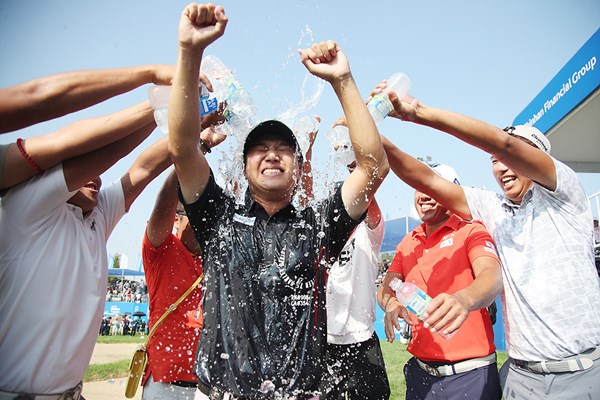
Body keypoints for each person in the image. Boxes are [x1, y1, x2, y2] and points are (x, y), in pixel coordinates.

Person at [168, 4, 389, 398]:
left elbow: (373, 166)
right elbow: (184, 149)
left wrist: (343, 80)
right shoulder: (219, 219)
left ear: (299, 164)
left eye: (283, 148)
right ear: (244, 162)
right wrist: (190, 52)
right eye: (260, 148)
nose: (271, 154)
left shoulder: (319, 224)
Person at [376, 83, 600, 398]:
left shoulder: (565, 194)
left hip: (579, 372)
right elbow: (423, 178)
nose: (503, 168)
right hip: (521, 377)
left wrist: (419, 113)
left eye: (514, 160)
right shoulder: (493, 208)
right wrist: (369, 129)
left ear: (539, 160)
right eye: (494, 161)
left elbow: (506, 145)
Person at [0, 100, 172, 397]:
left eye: (99, 170)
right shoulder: (26, 206)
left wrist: (198, 134)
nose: (97, 175)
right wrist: (168, 101)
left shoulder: (96, 215)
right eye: (85, 167)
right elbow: (108, 151)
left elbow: (144, 168)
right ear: (52, 176)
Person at [377, 157, 502, 399]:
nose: (423, 195)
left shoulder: (471, 230)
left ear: (451, 190)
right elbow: (385, 287)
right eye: (418, 187)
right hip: (420, 373)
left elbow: (491, 276)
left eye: (432, 187)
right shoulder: (408, 241)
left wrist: (464, 299)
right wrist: (391, 304)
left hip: (470, 374)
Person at [141, 125, 225, 399]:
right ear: (176, 218)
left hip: (208, 387)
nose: (201, 222)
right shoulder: (161, 250)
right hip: (165, 385)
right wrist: (198, 146)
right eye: (190, 212)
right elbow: (166, 198)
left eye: (205, 216)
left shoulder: (220, 255)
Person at [0, 64, 180, 191]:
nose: (93, 176)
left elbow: (111, 151)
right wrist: (153, 77)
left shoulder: (97, 215)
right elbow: (39, 101)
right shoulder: (27, 201)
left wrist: (165, 96)